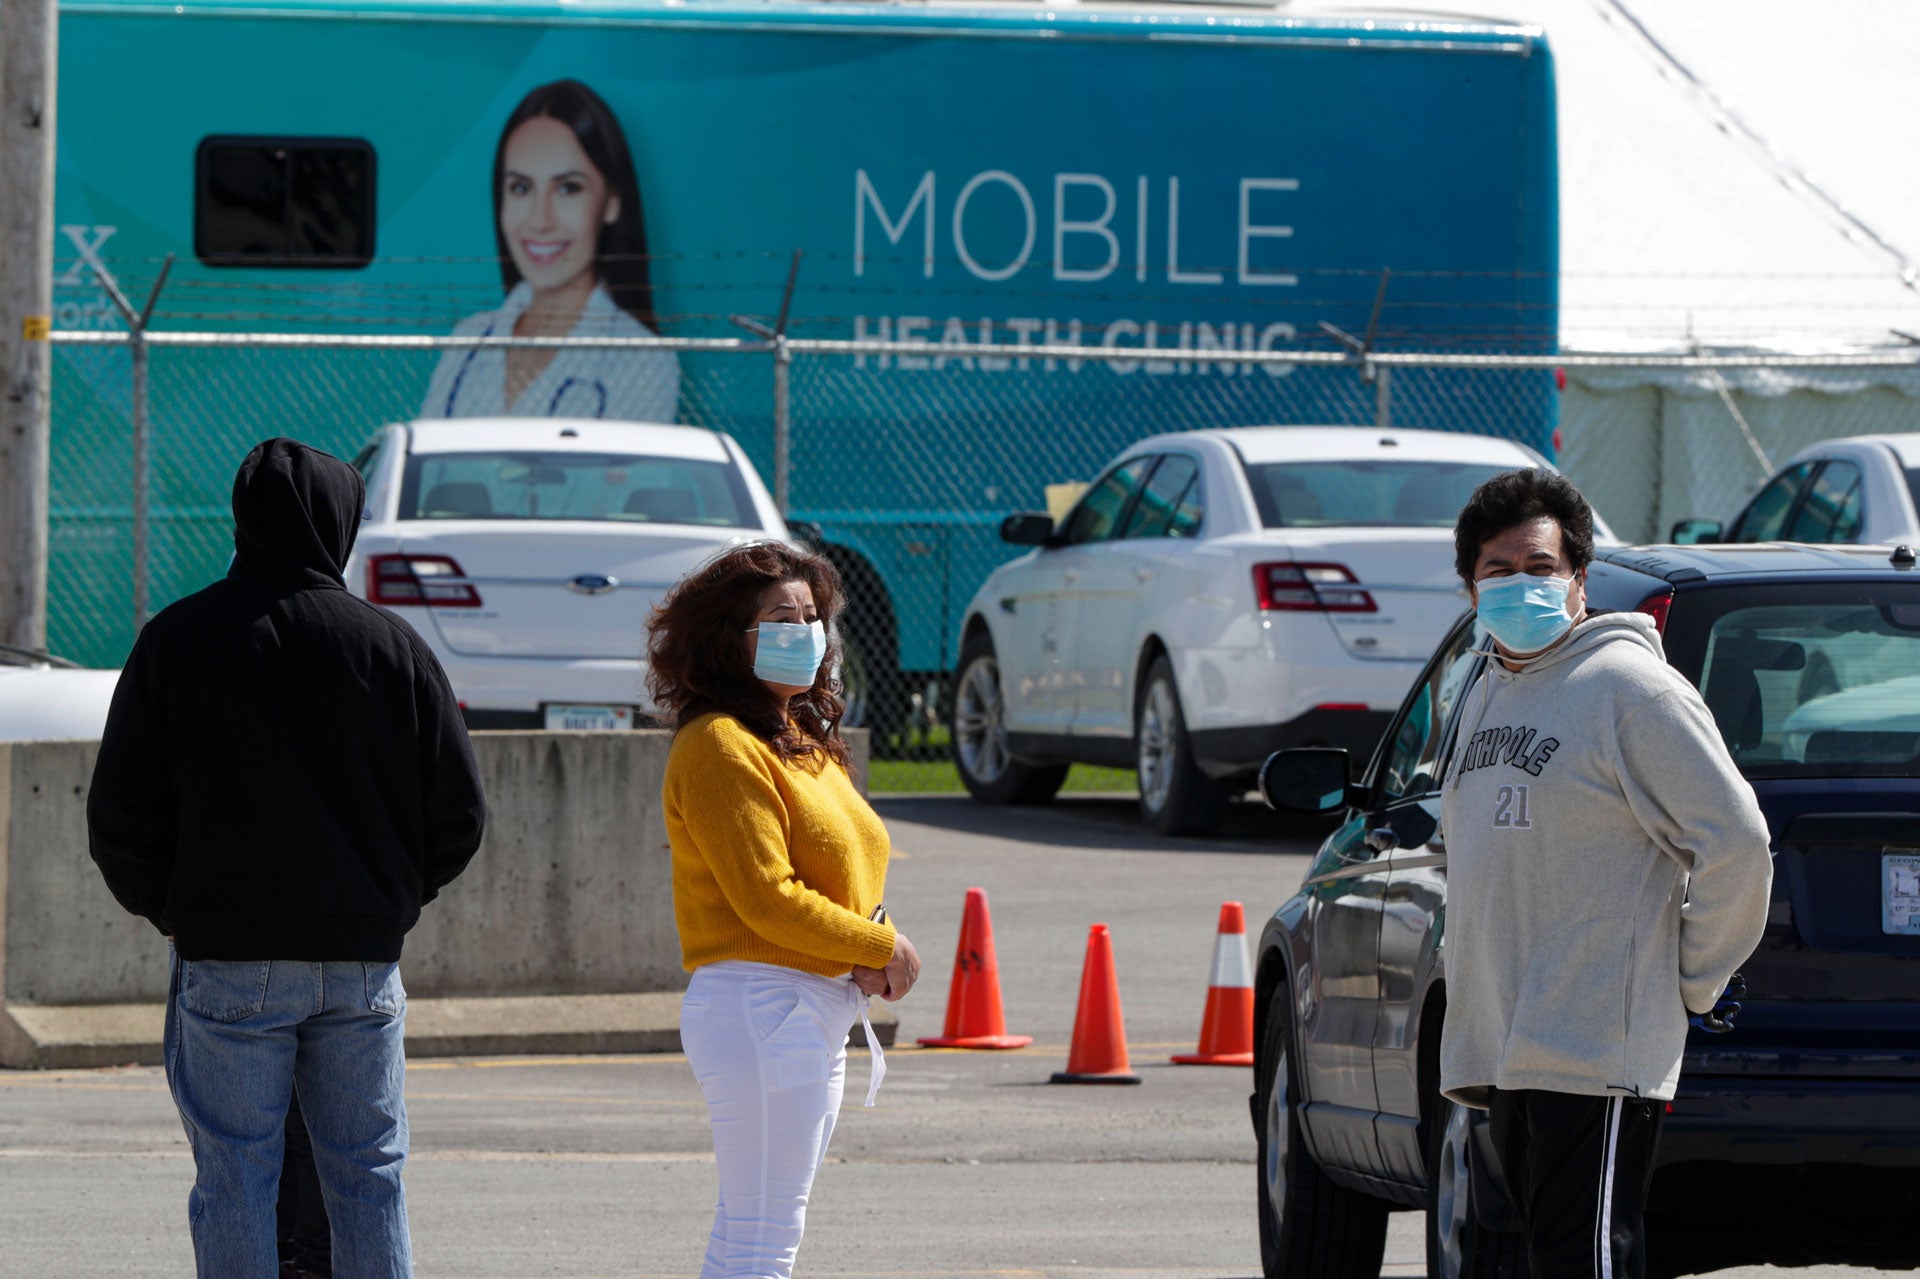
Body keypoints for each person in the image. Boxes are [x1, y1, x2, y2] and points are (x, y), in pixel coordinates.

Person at [87, 437, 487, 1279]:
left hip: (227, 959)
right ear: (341, 522)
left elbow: (120, 814)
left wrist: (182, 908)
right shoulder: (393, 647)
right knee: (369, 1175)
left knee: (235, 1175)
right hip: (362, 963)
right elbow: (460, 813)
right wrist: (390, 902)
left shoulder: (177, 639)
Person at [1439, 468, 1774, 1279]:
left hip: (1594, 1049)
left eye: (1541, 567)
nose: (1522, 585)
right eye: (1499, 570)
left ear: (1580, 578)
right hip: (1506, 1050)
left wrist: (1689, 980)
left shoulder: (1631, 689)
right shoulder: (1484, 688)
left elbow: (1737, 844)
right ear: (1470, 584)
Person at [647, 541, 920, 1279]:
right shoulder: (720, 744)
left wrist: (870, 940)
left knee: (747, 1237)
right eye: (781, 617)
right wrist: (877, 945)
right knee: (764, 1244)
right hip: (767, 1006)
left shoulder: (796, 736)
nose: (805, 631)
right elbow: (766, 895)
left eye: (812, 615)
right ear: (727, 639)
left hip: (799, 1009)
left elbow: (838, 871)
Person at [422, 78, 681, 422]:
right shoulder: (468, 341)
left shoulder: (642, 360)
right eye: (521, 187)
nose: (539, 220)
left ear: (612, 203)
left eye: (568, 188)